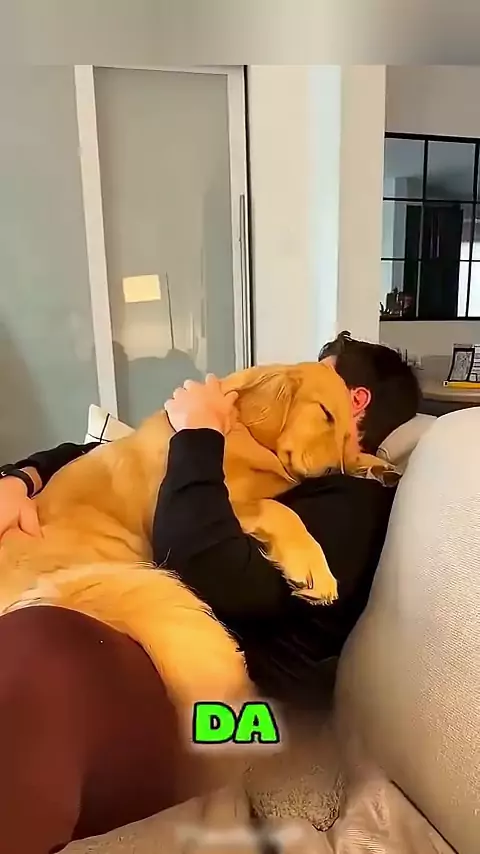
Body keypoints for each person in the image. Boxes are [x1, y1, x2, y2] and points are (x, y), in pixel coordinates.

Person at [0, 333, 420, 852]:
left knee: (41, 654)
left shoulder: (356, 500)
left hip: (227, 715)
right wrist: (19, 479)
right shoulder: (271, 464)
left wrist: (198, 433)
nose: (283, 389)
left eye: (315, 381)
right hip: (128, 632)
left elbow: (207, 566)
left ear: (354, 403)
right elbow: (111, 454)